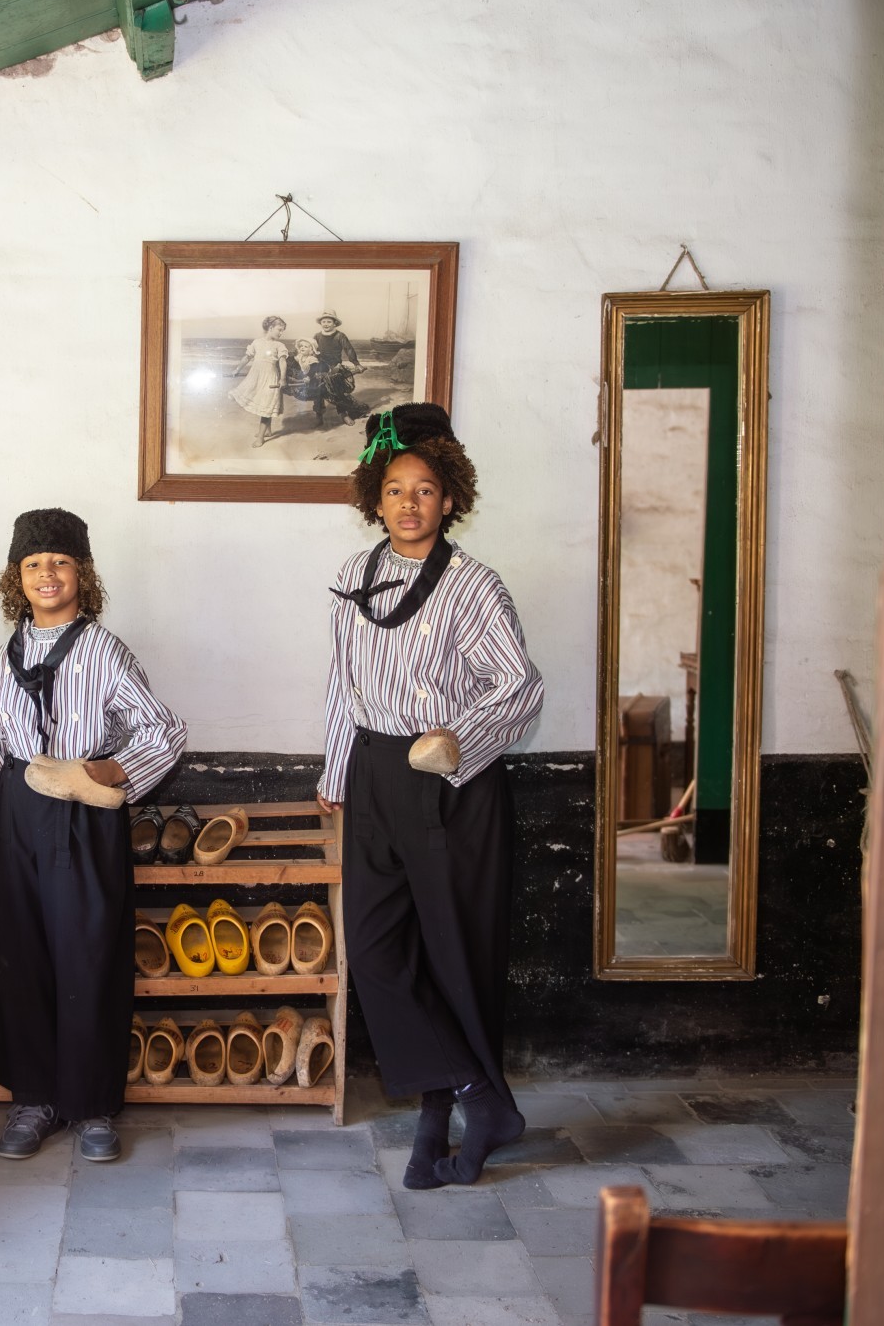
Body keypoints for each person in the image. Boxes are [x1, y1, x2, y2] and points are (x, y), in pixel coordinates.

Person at [315, 403, 544, 1189]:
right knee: (378, 951)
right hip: (374, 775)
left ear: (450, 499)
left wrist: (455, 744)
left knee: (454, 951)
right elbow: (343, 683)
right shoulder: (353, 577)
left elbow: (519, 689)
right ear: (373, 500)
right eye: (394, 488)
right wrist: (335, 772)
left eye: (425, 489)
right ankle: (482, 1096)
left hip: (450, 783)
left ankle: (440, 1110)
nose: (409, 503)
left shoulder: (476, 586)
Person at [0, 508, 187, 1162]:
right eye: (34, 563)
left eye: (60, 562)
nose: (47, 573)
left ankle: (92, 1104)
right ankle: (34, 1099)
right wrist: (19, 802)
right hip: (17, 818)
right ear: (17, 576)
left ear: (82, 574)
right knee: (22, 955)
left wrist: (100, 769)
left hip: (85, 816)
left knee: (88, 955)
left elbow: (164, 731)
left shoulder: (104, 650)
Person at [229, 316, 292, 446]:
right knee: (262, 403)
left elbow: (282, 362)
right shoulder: (257, 342)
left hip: (270, 379)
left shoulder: (279, 345)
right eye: (279, 330)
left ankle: (261, 438)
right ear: (270, 328)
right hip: (255, 378)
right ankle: (268, 431)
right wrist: (237, 369)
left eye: (282, 331)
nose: (281, 333)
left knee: (266, 405)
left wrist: (282, 378)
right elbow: (247, 357)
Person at [310, 312, 370, 426]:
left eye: (329, 321)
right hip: (319, 365)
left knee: (338, 390)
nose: (326, 324)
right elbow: (310, 349)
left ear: (335, 323)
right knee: (318, 389)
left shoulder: (340, 336)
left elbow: (349, 349)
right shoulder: (317, 336)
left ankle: (344, 414)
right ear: (321, 323)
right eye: (324, 322)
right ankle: (318, 414)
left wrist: (356, 363)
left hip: (335, 366)